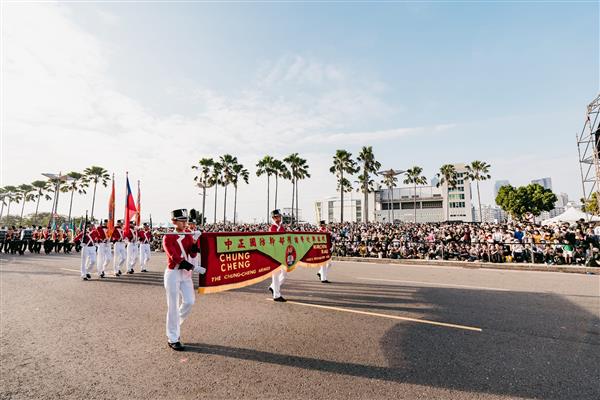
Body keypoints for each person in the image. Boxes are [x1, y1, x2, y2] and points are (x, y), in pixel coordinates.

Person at [162, 209, 205, 351]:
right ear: (174, 221)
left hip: (185, 274)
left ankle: (174, 324)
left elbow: (192, 252)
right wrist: (194, 268)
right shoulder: (168, 237)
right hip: (173, 273)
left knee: (189, 301)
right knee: (173, 305)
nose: (184, 223)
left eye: (185, 220)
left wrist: (194, 241)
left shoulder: (187, 234)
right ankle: (173, 338)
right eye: (181, 220)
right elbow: (175, 258)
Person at [268, 209, 287, 302]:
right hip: (274, 254)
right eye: (276, 217)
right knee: (275, 275)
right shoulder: (272, 228)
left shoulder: (282, 227)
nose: (278, 218)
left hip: (282, 253)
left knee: (284, 274)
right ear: (273, 218)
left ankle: (273, 287)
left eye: (279, 216)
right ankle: (276, 295)